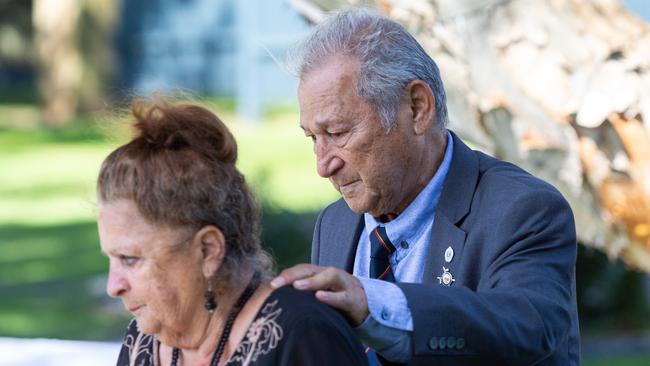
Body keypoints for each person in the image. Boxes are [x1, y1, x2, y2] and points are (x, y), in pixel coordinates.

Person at [271, 8, 580, 366]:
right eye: (313, 137)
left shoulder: (523, 208)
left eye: (337, 133)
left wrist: (372, 302)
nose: (323, 166)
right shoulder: (335, 224)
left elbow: (530, 326)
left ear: (417, 108)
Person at [97, 100, 368, 366]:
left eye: (129, 259)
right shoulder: (142, 342)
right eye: (111, 258)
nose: (113, 286)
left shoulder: (303, 334)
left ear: (208, 251)